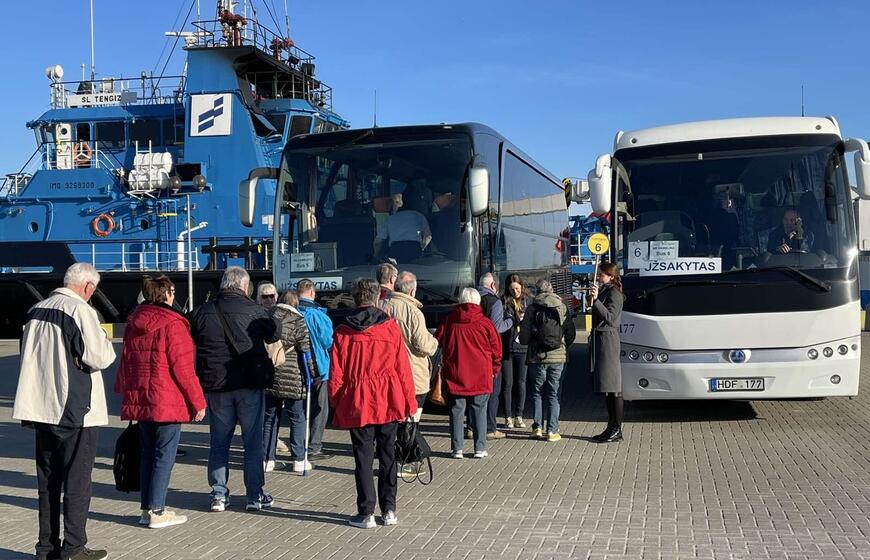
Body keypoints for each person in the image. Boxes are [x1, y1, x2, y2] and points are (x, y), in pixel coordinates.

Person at [13, 263, 117, 560]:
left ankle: (46, 548)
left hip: (40, 407)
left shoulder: (36, 311)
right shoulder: (80, 311)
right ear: (88, 287)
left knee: (47, 482)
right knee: (77, 480)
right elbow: (99, 357)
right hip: (75, 409)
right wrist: (105, 339)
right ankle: (74, 547)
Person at [115, 275, 207, 529]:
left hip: (143, 397)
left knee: (147, 454)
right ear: (165, 293)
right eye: (173, 291)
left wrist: (126, 392)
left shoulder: (134, 322)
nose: (174, 295)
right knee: (164, 456)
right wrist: (198, 402)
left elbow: (126, 362)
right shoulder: (173, 323)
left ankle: (147, 509)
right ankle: (157, 510)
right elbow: (183, 368)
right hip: (167, 399)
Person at [190, 266, 281, 513]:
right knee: (252, 441)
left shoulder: (202, 311)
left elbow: (191, 335)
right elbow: (274, 335)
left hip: (217, 384)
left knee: (219, 441)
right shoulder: (255, 310)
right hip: (249, 384)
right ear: (244, 286)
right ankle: (254, 495)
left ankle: (218, 495)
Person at [329, 278, 417, 529]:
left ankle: (366, 511)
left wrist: (338, 401)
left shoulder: (344, 331)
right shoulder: (390, 327)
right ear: (378, 297)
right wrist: (409, 402)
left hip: (359, 400)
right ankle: (389, 510)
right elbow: (403, 369)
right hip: (388, 397)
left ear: (355, 298)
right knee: (388, 455)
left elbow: (337, 373)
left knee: (363, 458)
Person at [436, 288, 502, 459]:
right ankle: (480, 448)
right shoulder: (485, 323)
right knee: (479, 410)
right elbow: (496, 350)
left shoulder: (449, 320)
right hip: (481, 374)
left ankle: (457, 449)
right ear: (477, 301)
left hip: (455, 372)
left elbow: (437, 341)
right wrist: (494, 370)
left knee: (456, 411)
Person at [263, 291, 316, 473]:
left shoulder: (267, 316)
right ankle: (299, 459)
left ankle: (267, 459)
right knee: (297, 417)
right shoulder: (298, 320)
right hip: (293, 375)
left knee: (270, 417)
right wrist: (313, 373)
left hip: (270, 374)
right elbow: (306, 350)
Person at [520, 279, 576, 442]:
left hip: (536, 357)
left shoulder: (531, 309)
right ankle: (552, 430)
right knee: (553, 393)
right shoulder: (561, 307)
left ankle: (537, 428)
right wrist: (562, 346)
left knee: (537, 393)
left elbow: (523, 338)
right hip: (558, 357)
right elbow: (571, 333)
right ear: (552, 290)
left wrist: (533, 340)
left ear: (537, 292)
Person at [380, 271, 439, 420]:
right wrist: (434, 341)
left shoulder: (379, 305)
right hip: (413, 373)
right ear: (413, 291)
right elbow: (424, 346)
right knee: (411, 420)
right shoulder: (413, 312)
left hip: (385, 371)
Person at [296, 279, 334, 460]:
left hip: (295, 367)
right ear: (312, 292)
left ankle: (298, 447)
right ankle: (314, 447)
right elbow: (328, 341)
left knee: (299, 409)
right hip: (318, 367)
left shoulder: (293, 312)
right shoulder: (317, 315)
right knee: (320, 408)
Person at [588, 262, 626, 443]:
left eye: (602, 274)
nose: (599, 277)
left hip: (608, 340)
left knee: (613, 386)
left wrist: (596, 301)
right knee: (607, 388)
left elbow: (610, 318)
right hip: (601, 340)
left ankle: (616, 428)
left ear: (611, 276)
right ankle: (611, 426)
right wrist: (592, 299)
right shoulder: (605, 291)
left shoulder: (615, 293)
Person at [478, 273, 512, 440]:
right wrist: (510, 320)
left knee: (474, 391)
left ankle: (472, 426)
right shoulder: (495, 302)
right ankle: (490, 428)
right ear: (493, 286)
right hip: (489, 352)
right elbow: (497, 327)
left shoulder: (471, 299)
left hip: (473, 351)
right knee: (493, 391)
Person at [499, 274, 531, 429]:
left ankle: (519, 415)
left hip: (522, 347)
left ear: (522, 287)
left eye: (517, 289)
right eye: (512, 289)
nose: (515, 292)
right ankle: (508, 416)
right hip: (507, 348)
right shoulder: (503, 302)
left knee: (521, 383)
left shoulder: (527, 301)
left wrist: (526, 321)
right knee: (507, 383)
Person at [373, 191, 432, 262]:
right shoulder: (419, 216)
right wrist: (421, 248)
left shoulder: (390, 219)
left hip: (396, 250)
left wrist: (376, 255)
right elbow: (428, 236)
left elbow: (378, 242)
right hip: (414, 248)